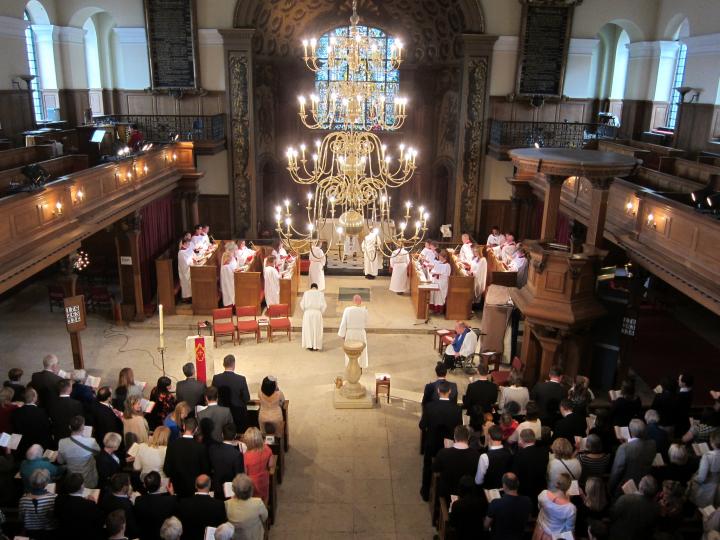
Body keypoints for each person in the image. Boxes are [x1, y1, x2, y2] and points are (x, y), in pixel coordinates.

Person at [419, 382, 462, 501]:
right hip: (448, 445)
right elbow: (459, 428)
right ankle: (442, 495)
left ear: (438, 392)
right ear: (449, 392)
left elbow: (422, 425)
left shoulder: (430, 407)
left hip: (432, 443)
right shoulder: (457, 409)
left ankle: (425, 492)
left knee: (428, 466)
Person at [163, 417, 210, 498]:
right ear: (196, 429)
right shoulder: (201, 448)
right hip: (194, 489)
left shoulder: (172, 445)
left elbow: (166, 469)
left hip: (176, 488)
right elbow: (205, 470)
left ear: (184, 426)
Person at [608, 418, 657, 495]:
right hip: (647, 485)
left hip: (627, 488)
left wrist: (610, 488)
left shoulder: (624, 448)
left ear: (630, 432)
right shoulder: (653, 445)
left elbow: (616, 471)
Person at [432, 425, 480, 501]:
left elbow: (435, 469)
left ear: (454, 437)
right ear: (468, 438)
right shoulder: (476, 455)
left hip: (446, 493)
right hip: (466, 494)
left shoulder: (443, 453)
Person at [54, 472, 104, 540]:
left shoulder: (59, 500)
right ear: (81, 486)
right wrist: (93, 503)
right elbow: (98, 520)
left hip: (65, 533)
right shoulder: (89, 505)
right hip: (84, 534)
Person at [609, 475, 659, 540]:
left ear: (640, 486)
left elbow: (613, 515)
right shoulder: (656, 507)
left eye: (641, 480)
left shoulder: (624, 499)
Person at [484, 472, 532, 540]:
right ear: (518, 484)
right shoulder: (527, 501)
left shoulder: (495, 503)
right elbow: (528, 519)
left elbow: (486, 526)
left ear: (504, 486)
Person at [57, 415, 99, 488]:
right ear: (83, 427)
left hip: (72, 479)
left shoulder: (62, 442)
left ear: (69, 427)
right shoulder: (91, 441)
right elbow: (97, 453)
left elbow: (60, 461)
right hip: (89, 479)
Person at [134, 471, 178, 540]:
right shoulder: (170, 500)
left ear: (145, 485)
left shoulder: (138, 500)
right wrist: (172, 494)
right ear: (160, 484)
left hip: (146, 536)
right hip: (162, 536)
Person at [212, 354, 251, 432]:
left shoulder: (216, 378)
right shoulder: (241, 379)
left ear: (223, 364)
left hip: (221, 415)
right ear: (234, 364)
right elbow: (247, 398)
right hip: (238, 416)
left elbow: (213, 395)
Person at [512, 429, 549, 510]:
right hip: (541, 487)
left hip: (525, 491)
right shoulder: (544, 451)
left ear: (521, 440)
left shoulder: (519, 455)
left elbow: (516, 474)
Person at [533, 473, 576, 540]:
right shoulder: (570, 508)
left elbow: (539, 507)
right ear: (568, 487)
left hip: (541, 531)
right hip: (557, 536)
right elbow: (569, 529)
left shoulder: (544, 494)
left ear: (556, 484)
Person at [225, 473, 268, 540]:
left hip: (237, 537)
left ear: (234, 490)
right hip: (255, 536)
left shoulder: (227, 504)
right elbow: (265, 517)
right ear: (251, 489)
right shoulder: (258, 502)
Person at [10, 388, 51, 457]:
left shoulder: (16, 412)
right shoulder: (42, 412)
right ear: (34, 398)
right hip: (38, 447)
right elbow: (47, 429)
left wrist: (11, 450)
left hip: (21, 447)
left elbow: (14, 432)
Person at [18, 468, 58, 539]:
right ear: (46, 483)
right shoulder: (53, 498)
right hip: (48, 531)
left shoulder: (23, 499)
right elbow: (54, 516)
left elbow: (21, 518)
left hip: (30, 531)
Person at [209, 423, 245, 499]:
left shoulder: (213, 449)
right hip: (231, 492)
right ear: (235, 436)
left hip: (216, 488)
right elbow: (239, 476)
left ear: (222, 434)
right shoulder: (237, 454)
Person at [100, 473, 140, 540]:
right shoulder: (127, 507)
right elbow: (132, 528)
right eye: (129, 484)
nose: (130, 485)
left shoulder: (106, 496)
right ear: (124, 487)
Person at [241, 427, 273, 503]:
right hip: (264, 479)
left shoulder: (245, 456)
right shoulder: (267, 449)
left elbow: (245, 473)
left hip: (252, 484)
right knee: (264, 498)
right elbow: (271, 465)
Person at [689, 430, 720, 507]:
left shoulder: (707, 456)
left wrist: (693, 478)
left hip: (707, 487)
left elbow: (702, 478)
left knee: (703, 507)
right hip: (718, 486)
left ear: (712, 442)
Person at [463, 364, 498, 429]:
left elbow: (468, 402)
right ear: (488, 372)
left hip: (475, 414)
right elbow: (494, 400)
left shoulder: (472, 386)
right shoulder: (494, 386)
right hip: (487, 411)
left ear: (478, 371)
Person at [449, 475, 484, 540]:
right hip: (477, 535)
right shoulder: (481, 502)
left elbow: (452, 523)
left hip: (461, 535)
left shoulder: (457, 504)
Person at [338, 294, 369, 369]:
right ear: (361, 301)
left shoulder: (347, 310)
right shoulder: (364, 311)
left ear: (353, 301)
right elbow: (366, 322)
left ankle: (350, 368)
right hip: (361, 333)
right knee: (361, 352)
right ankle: (360, 368)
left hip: (350, 333)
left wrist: (342, 334)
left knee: (350, 351)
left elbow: (343, 323)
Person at [49, 378, 84, 442]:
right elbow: (79, 420)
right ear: (69, 389)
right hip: (72, 436)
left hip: (57, 435)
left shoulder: (51, 404)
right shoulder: (76, 404)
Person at [300, 283, 326, 351]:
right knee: (317, 330)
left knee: (308, 329)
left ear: (311, 287)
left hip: (308, 313)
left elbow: (302, 304)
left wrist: (306, 311)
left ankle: (309, 346)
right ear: (317, 288)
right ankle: (316, 346)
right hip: (317, 313)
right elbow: (324, 306)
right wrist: (320, 312)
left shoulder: (306, 293)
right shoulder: (321, 293)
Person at [220, 241, 239, 307]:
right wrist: (235, 271)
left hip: (234, 277)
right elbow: (229, 273)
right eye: (235, 250)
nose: (236, 252)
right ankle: (231, 306)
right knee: (229, 293)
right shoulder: (226, 262)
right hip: (229, 280)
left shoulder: (232, 257)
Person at [178, 236, 195, 302]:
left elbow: (192, 255)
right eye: (188, 244)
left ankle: (191, 296)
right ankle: (187, 298)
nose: (189, 245)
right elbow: (184, 264)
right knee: (186, 284)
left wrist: (194, 258)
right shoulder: (181, 253)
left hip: (190, 267)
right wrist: (191, 262)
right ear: (184, 244)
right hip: (185, 271)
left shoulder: (188, 249)